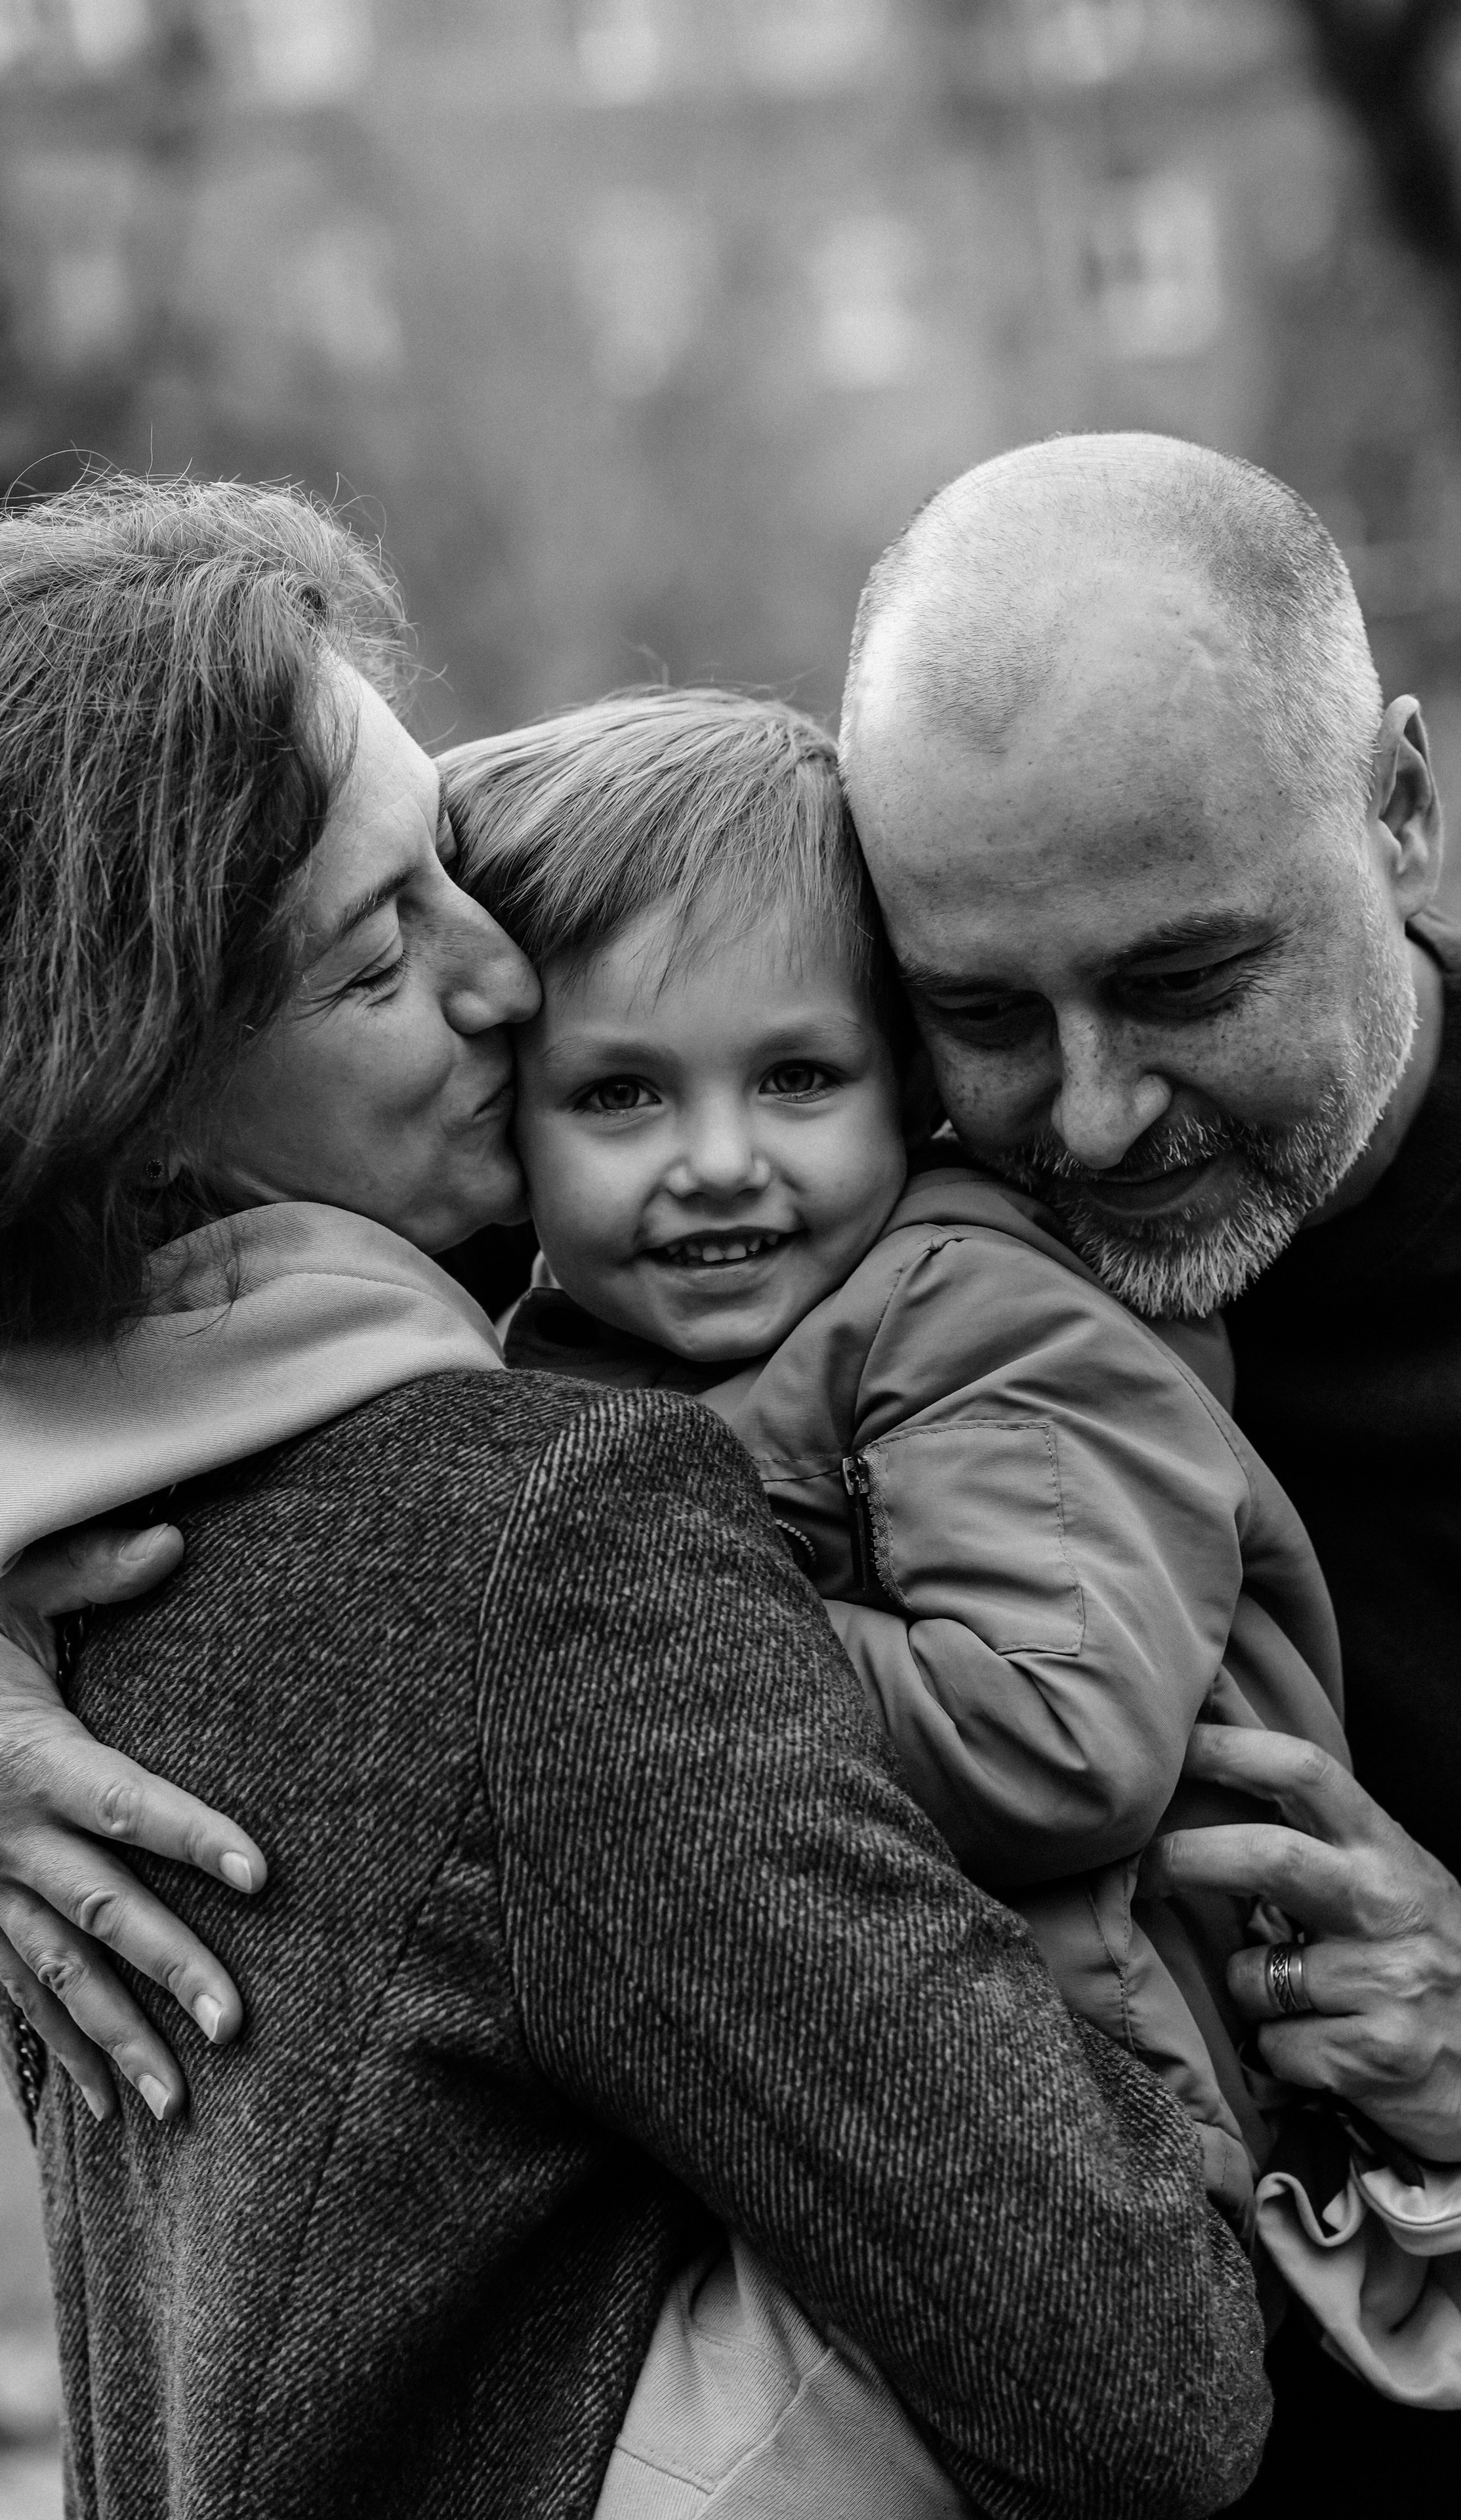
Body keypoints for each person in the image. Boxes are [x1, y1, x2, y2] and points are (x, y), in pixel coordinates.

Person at [0, 474, 1269, 2517]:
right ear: (135, 1089)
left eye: (443, 869)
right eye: (372, 961)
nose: (504, 983)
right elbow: (1143, 2380)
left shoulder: (87, 1551)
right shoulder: (537, 1543)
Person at [836, 432, 1461, 2517]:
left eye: (1182, 982)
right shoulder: (799, 1200)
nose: (1096, 1118)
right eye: (981, 1014)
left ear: (1402, 808)